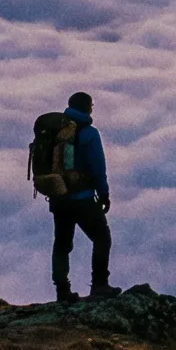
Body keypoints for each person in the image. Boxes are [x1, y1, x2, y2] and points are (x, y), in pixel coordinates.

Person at [46, 90, 114, 303]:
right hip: (82, 198)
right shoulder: (89, 133)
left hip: (58, 198)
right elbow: (97, 167)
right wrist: (104, 194)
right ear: (87, 108)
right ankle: (99, 285)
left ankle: (62, 290)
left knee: (62, 243)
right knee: (102, 237)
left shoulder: (54, 129)